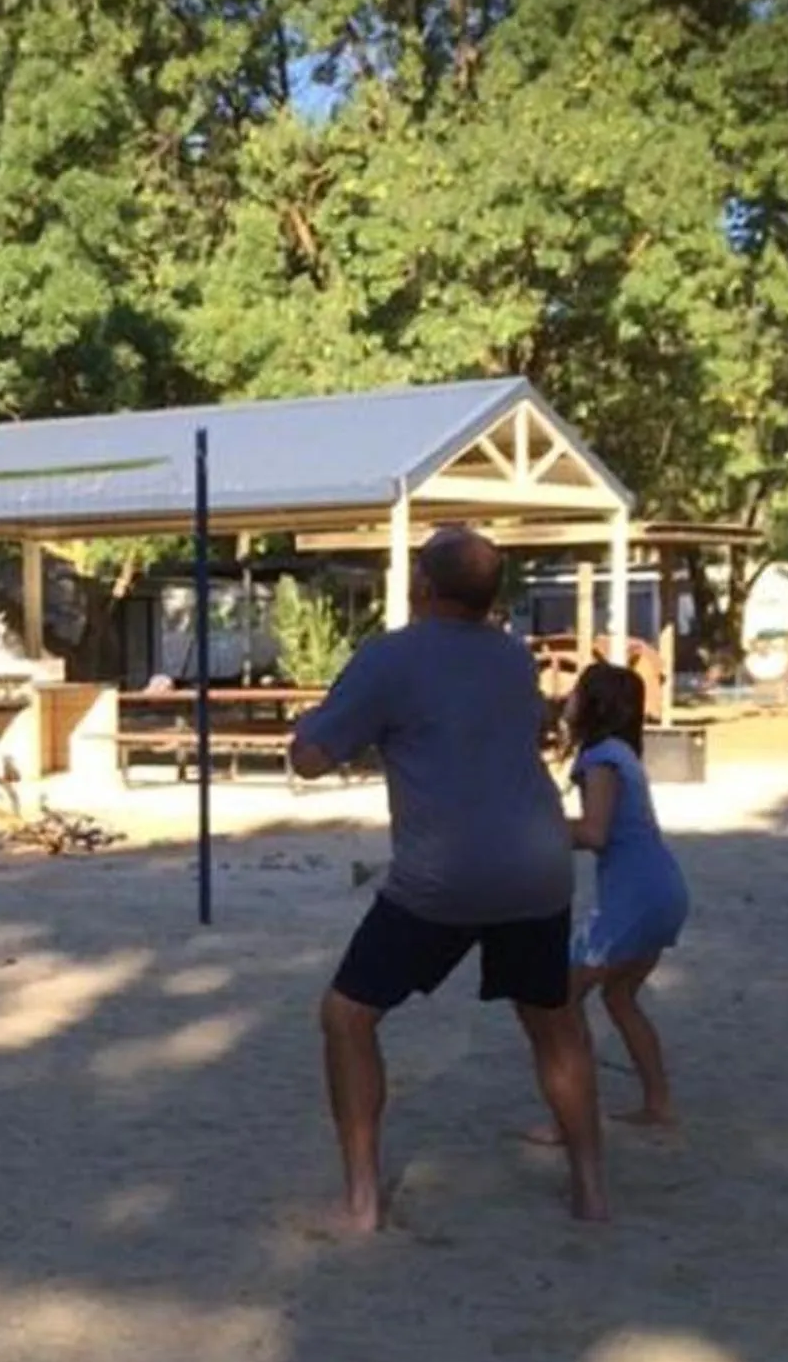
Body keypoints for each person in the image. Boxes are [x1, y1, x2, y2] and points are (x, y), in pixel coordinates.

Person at [288, 525, 609, 1230]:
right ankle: (590, 1191)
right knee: (555, 1027)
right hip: (537, 862)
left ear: (423, 586)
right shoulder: (510, 657)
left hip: (446, 874)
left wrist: (305, 726)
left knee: (346, 1018)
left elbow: (312, 758)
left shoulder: (390, 657)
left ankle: (363, 1202)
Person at [545, 658, 690, 1131]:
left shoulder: (599, 758)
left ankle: (574, 1122)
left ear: (595, 705)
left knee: (561, 1000)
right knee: (620, 997)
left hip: (635, 896)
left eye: (576, 692)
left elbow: (594, 833)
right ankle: (659, 1103)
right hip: (662, 890)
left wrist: (531, 830)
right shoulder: (623, 754)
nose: (566, 698)